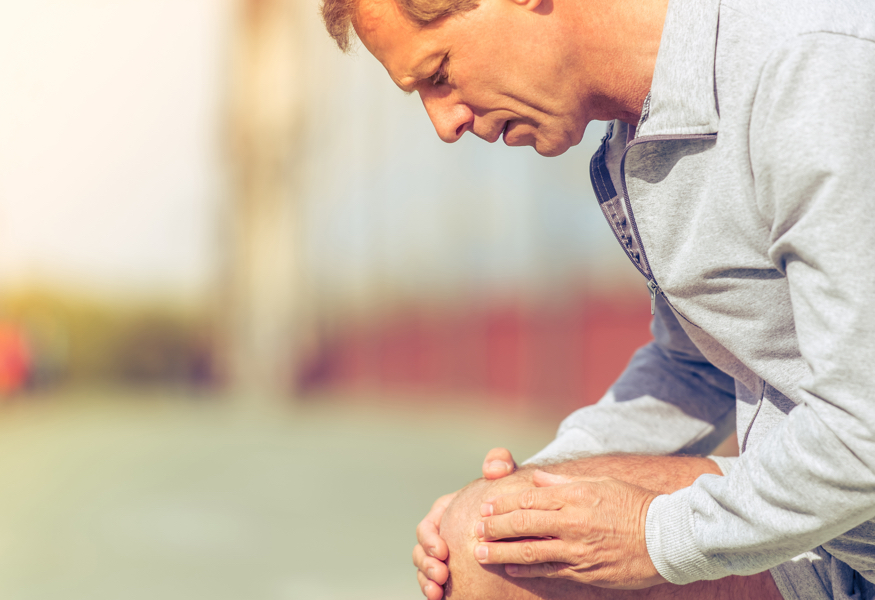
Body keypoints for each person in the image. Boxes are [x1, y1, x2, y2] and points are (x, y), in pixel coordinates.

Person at [318, 0, 875, 597]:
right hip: (845, 542)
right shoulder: (641, 135)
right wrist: (524, 487)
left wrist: (655, 537)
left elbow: (864, 429)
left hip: (854, 492)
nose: (444, 123)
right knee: (486, 542)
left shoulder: (812, 68)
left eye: (440, 73)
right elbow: (699, 365)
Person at [439, 454, 783, 600]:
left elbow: (823, 448)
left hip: (817, 533)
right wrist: (530, 475)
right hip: (775, 463)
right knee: (470, 527)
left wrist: (656, 533)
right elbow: (688, 364)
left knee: (487, 551)